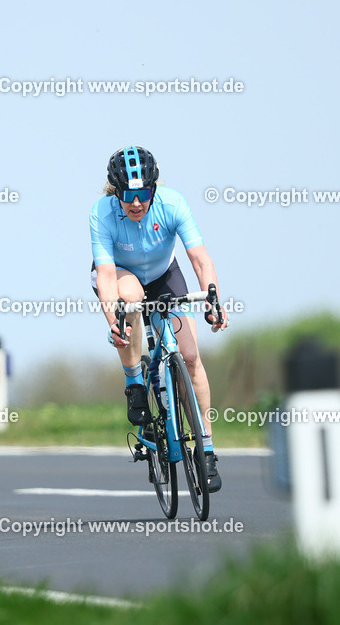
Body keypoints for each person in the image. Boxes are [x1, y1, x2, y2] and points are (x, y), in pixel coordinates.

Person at [90, 146, 229, 492]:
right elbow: (106, 276)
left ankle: (206, 450)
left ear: (154, 189)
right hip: (120, 277)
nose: (136, 203)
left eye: (143, 194)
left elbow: (199, 258)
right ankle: (135, 382)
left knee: (191, 356)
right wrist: (113, 320)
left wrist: (212, 298)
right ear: (115, 191)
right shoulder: (102, 214)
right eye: (128, 195)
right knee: (132, 299)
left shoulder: (172, 203)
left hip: (165, 276)